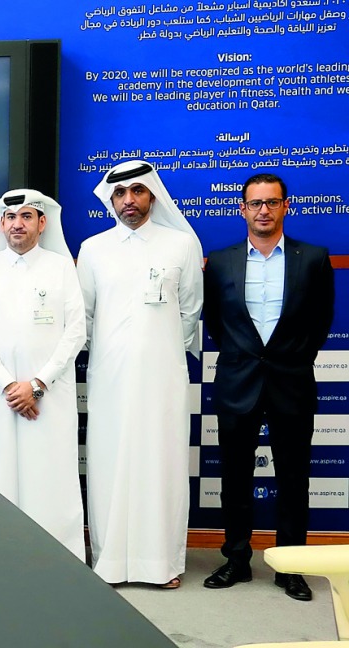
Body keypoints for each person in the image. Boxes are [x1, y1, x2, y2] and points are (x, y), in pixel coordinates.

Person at [201, 173, 334, 601]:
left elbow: (321, 321)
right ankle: (236, 560)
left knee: (294, 480)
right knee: (235, 478)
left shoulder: (311, 257)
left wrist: (292, 359)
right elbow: (217, 326)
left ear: (285, 207)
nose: (263, 210)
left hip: (291, 382)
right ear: (242, 208)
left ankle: (290, 566)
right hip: (237, 382)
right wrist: (245, 358)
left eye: (272, 203)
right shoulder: (220, 262)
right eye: (255, 203)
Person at [77, 160, 203, 588]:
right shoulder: (93, 248)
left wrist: (157, 351)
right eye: (120, 194)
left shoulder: (181, 244)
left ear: (152, 195)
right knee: (110, 462)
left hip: (163, 376)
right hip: (110, 377)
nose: (128, 201)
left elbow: (190, 312)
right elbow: (86, 316)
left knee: (161, 462)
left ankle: (161, 564)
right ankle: (109, 562)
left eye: (137, 191)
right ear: (110, 200)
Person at [0, 189, 87, 560]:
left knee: (50, 474)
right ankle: (0, 556)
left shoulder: (61, 266)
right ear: (1, 224)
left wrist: (36, 384)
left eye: (26, 216)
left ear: (42, 223)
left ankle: (59, 559)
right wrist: (9, 385)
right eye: (10, 217)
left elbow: (76, 331)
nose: (17, 223)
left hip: (49, 392)